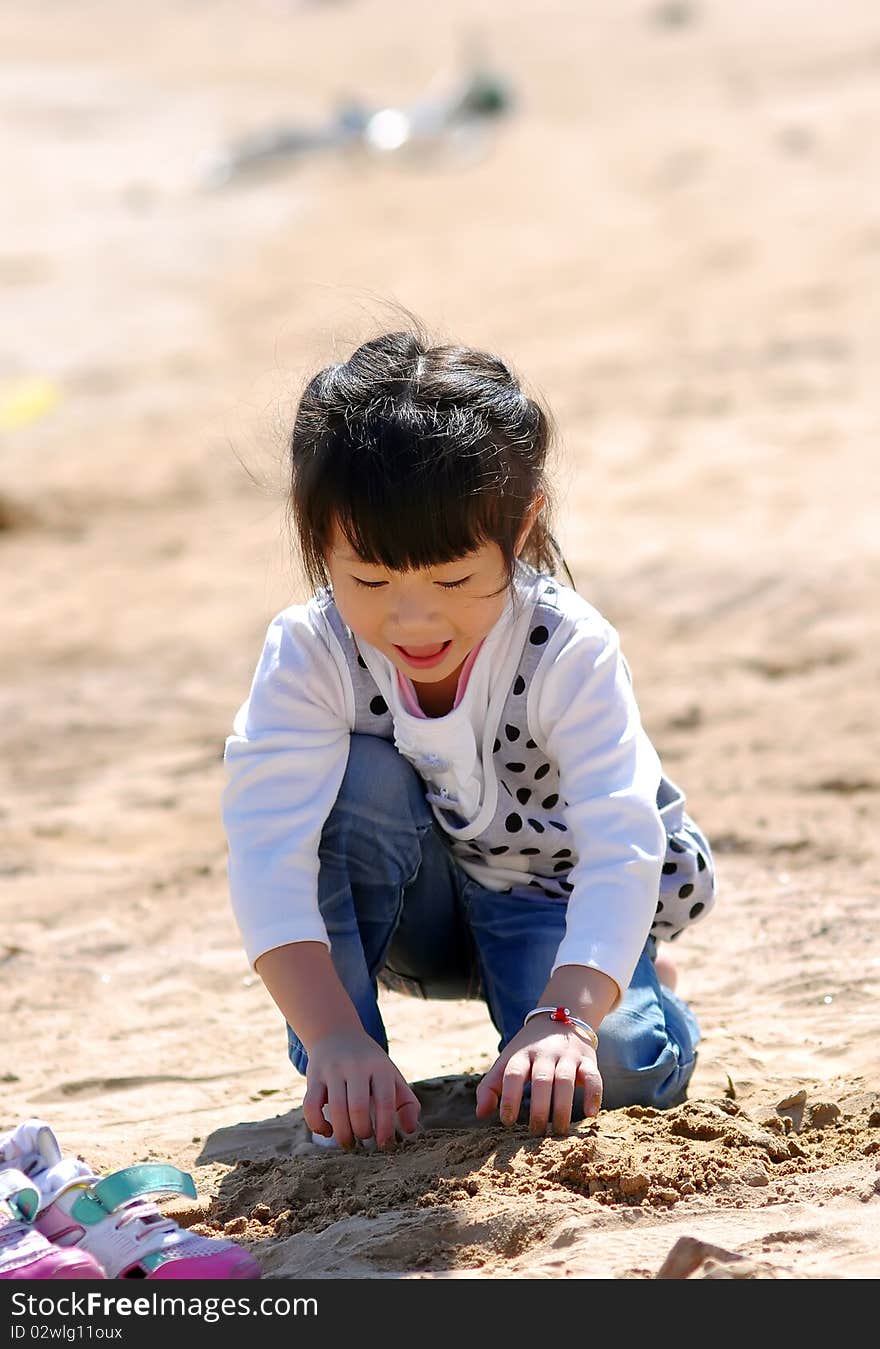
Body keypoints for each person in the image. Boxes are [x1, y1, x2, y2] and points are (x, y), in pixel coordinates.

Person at [221, 326, 716, 1151]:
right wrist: (334, 1037)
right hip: (410, 910)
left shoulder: (567, 646)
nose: (412, 618)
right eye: (369, 581)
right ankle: (352, 1065)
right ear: (319, 544)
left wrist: (566, 1016)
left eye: (453, 579)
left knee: (623, 1071)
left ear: (521, 529)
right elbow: (267, 854)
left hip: (548, 899)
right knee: (359, 778)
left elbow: (620, 841)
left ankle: (639, 980)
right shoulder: (311, 651)